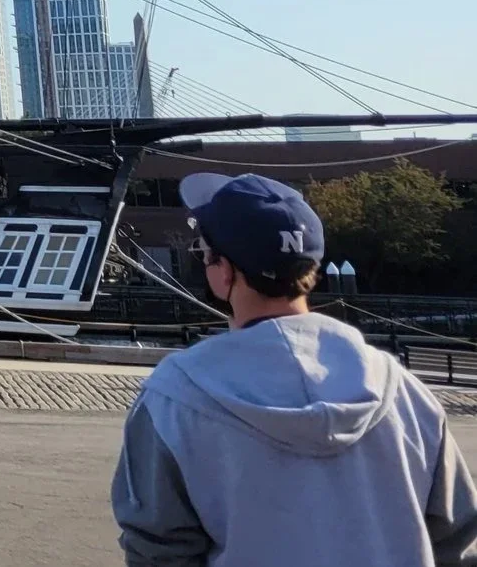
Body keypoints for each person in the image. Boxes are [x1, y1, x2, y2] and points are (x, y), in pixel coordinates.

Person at [112, 173, 477, 567]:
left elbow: (159, 551)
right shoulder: (405, 391)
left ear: (225, 272)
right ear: (312, 269)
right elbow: (456, 542)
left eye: (203, 252)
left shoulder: (174, 396)